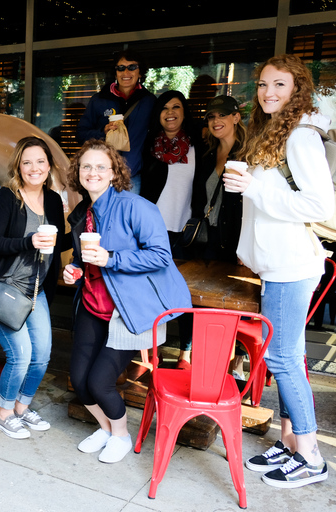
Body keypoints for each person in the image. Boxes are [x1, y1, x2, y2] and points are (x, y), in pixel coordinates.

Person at [225, 54, 334, 489]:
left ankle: (309, 455)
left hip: (291, 265)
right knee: (289, 356)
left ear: (297, 91)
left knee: (283, 358)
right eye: (264, 84)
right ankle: (290, 441)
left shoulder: (302, 136)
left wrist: (255, 188)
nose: (269, 92)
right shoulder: (277, 130)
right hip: (277, 264)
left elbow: (318, 205)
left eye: (280, 85)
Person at [64, 139, 191, 463]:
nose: (92, 172)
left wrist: (112, 259)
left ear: (114, 172)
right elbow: (86, 258)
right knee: (79, 381)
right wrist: (75, 269)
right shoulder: (83, 211)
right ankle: (106, 429)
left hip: (129, 310)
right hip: (93, 305)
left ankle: (120, 434)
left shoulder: (137, 207)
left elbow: (161, 256)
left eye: (100, 167)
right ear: (78, 172)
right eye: (86, 166)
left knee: (100, 382)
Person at [0, 136, 66, 439]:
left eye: (40, 161)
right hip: (3, 290)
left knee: (43, 355)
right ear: (18, 166)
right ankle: (4, 412)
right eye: (27, 162)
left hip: (34, 290)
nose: (34, 168)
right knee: (21, 354)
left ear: (49, 165)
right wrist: (28, 242)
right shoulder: (5, 198)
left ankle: (22, 408)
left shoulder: (53, 200)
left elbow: (59, 242)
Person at [140, 90, 205, 369]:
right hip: (153, 230)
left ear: (184, 111)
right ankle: (149, 354)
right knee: (150, 293)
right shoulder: (149, 145)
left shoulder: (196, 146)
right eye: (165, 107)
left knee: (184, 295)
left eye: (176, 107)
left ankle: (185, 354)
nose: (170, 112)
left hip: (185, 231)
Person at [77, 50, 156, 194]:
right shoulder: (99, 100)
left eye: (132, 67)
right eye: (120, 68)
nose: (126, 72)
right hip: (100, 178)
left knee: (128, 217)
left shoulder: (149, 101)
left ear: (140, 72)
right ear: (115, 73)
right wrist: (102, 132)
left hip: (132, 179)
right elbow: (81, 134)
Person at [192, 95, 245, 264]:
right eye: (211, 117)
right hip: (207, 238)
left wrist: (246, 247)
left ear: (236, 117)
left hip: (234, 241)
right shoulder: (208, 155)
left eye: (222, 115)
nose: (216, 121)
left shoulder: (247, 155)